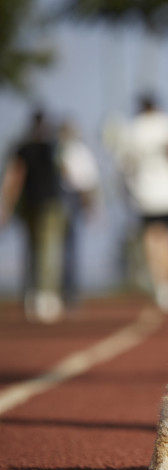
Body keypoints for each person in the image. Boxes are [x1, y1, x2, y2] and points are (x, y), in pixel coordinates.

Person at [107, 94, 168, 311]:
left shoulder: (133, 129)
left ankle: (162, 285)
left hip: (146, 193)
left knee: (153, 238)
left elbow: (122, 164)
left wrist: (127, 189)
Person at [0, 109, 67, 323]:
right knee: (47, 250)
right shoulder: (53, 146)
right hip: (48, 204)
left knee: (34, 248)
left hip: (34, 204)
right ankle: (45, 295)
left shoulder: (25, 147)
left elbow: (14, 176)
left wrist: (7, 205)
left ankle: (34, 294)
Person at [57, 120, 100, 308]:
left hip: (71, 198)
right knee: (64, 248)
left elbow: (86, 181)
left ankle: (69, 291)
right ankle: (64, 291)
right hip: (62, 198)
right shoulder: (61, 149)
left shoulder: (76, 150)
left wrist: (89, 205)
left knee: (69, 248)